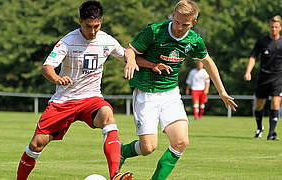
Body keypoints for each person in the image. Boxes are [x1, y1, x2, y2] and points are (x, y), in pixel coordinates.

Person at [16, 1, 138, 180]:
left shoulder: (107, 40)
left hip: (91, 99)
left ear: (101, 22)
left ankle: (115, 175)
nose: (93, 31)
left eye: (97, 26)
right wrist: (57, 78)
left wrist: (132, 59)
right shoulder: (68, 41)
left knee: (107, 116)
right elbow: (47, 67)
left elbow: (126, 53)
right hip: (64, 101)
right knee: (36, 145)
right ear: (80, 21)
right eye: (89, 26)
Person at [119, 0, 237, 179]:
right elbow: (129, 51)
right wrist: (136, 61)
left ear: (194, 23)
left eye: (185, 24)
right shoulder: (154, 31)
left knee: (181, 141)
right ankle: (121, 152)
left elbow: (208, 62)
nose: (179, 28)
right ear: (173, 15)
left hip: (170, 94)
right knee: (148, 148)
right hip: (146, 92)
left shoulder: (194, 40)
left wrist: (221, 91)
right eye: (177, 22)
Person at [244, 15, 282, 140]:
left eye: (276, 27)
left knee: (276, 103)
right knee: (259, 105)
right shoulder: (262, 42)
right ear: (269, 27)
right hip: (263, 77)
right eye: (272, 27)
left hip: (278, 77)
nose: (274, 29)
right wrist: (248, 71)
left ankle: (271, 133)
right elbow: (253, 57)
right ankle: (259, 128)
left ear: (280, 28)